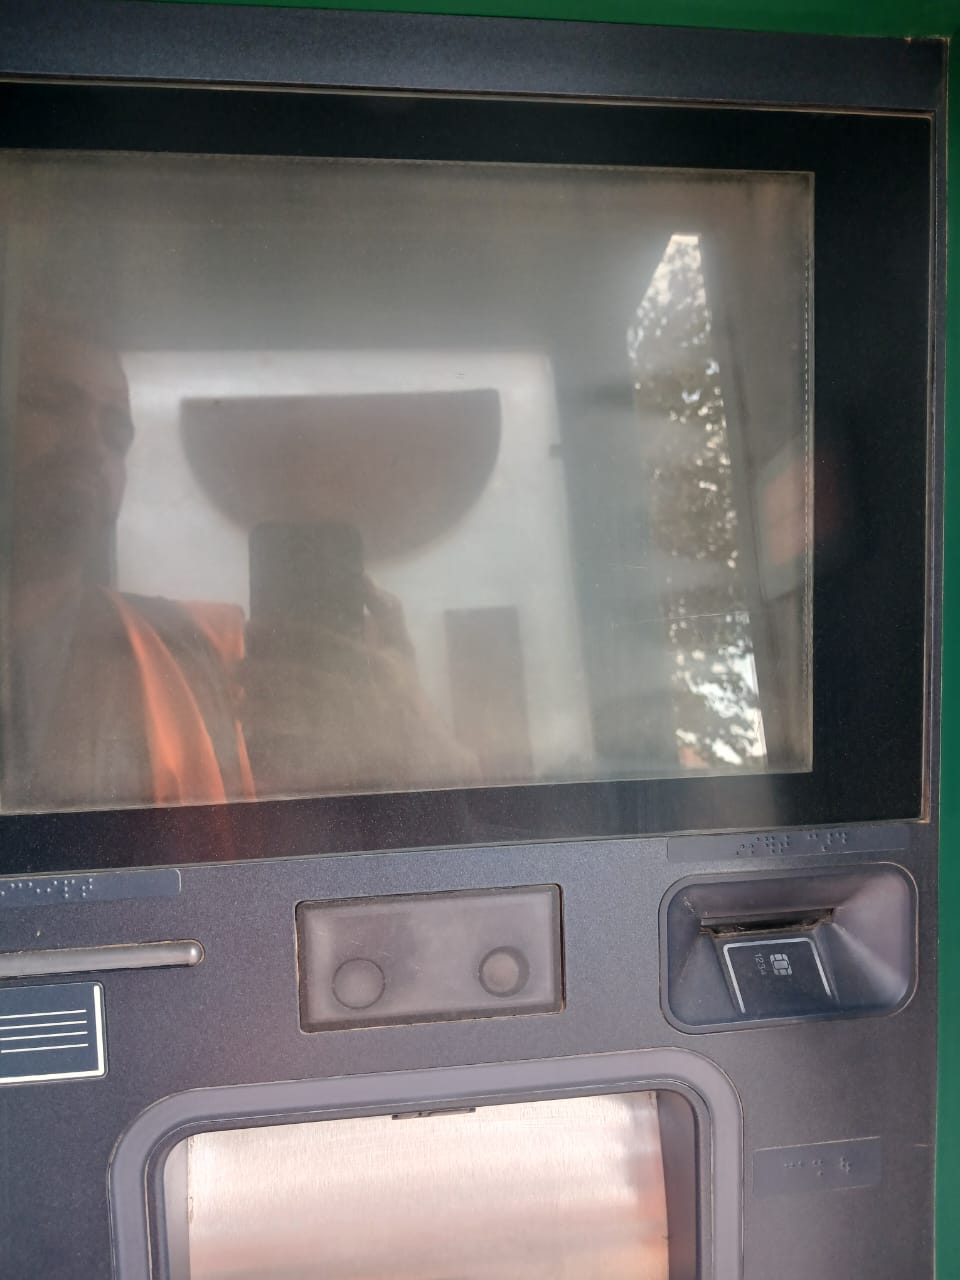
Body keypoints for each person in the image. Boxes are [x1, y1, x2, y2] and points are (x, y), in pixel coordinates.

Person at [2, 314, 474, 813]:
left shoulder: (201, 651)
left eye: (116, 432)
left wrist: (407, 736)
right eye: (47, 403)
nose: (91, 443)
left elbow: (304, 831)